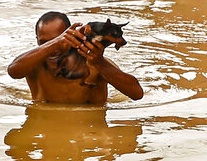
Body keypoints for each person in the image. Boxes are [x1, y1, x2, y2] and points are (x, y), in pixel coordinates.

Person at [7, 11, 143, 104]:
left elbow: (136, 94)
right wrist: (55, 44)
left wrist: (100, 64)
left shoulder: (94, 63)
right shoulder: (33, 62)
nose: (54, 48)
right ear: (37, 40)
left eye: (59, 39)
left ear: (73, 36)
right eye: (45, 42)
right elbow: (13, 71)